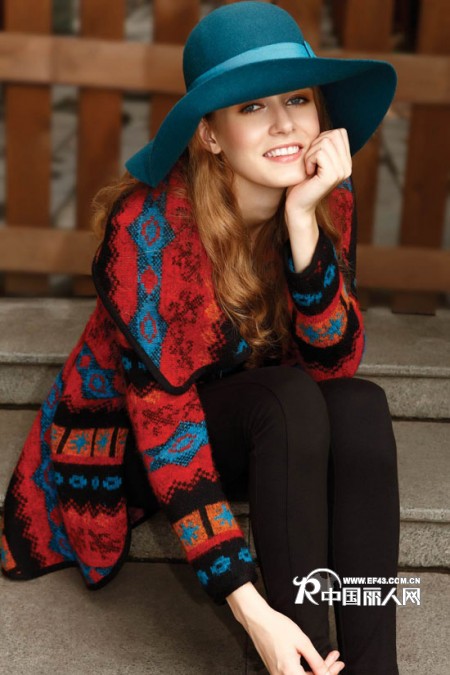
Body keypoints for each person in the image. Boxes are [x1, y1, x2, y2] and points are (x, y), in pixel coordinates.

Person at [1, 3, 400, 674]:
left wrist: (304, 230)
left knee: (360, 406)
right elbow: (167, 426)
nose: (284, 124)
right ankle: (300, 663)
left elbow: (334, 367)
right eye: (252, 106)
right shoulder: (146, 231)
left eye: (297, 99)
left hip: (263, 419)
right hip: (139, 440)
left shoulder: (326, 193)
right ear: (211, 135)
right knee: (285, 400)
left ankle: (371, 667)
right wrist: (253, 610)